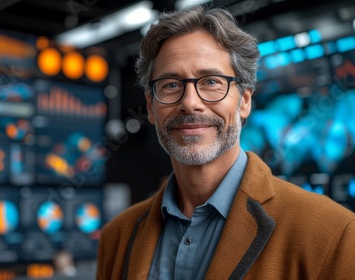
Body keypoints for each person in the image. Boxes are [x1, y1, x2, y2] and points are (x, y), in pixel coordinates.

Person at [96, 5, 355, 280]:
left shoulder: (334, 235)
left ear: (244, 101)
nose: (190, 103)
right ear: (150, 106)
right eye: (171, 85)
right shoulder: (117, 237)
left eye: (211, 82)